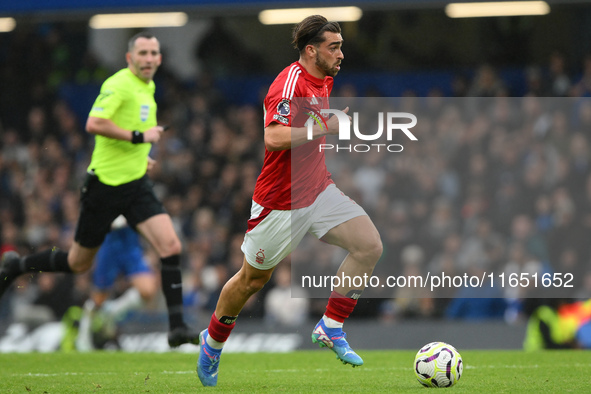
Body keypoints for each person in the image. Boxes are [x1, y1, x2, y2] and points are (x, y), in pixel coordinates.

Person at [196, 15, 383, 387]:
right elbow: (274, 138)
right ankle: (212, 343)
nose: (341, 54)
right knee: (251, 280)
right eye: (334, 47)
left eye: (341, 45)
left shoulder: (325, 75)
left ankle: (330, 326)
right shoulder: (289, 83)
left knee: (369, 246)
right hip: (280, 202)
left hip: (317, 189)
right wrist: (323, 126)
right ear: (311, 51)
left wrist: (328, 122)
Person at [0, 31, 199, 348]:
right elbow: (94, 123)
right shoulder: (119, 84)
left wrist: (140, 158)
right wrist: (137, 138)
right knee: (79, 262)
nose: (148, 59)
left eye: (153, 53)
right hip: (104, 187)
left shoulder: (148, 88)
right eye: (142, 53)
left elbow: (126, 138)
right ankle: (17, 266)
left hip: (135, 186)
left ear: (160, 59)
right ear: (129, 58)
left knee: (170, 246)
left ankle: (176, 328)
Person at [75, 215, 158, 351]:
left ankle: (112, 312)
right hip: (109, 245)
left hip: (130, 244)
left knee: (148, 290)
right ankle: (82, 338)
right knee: (98, 299)